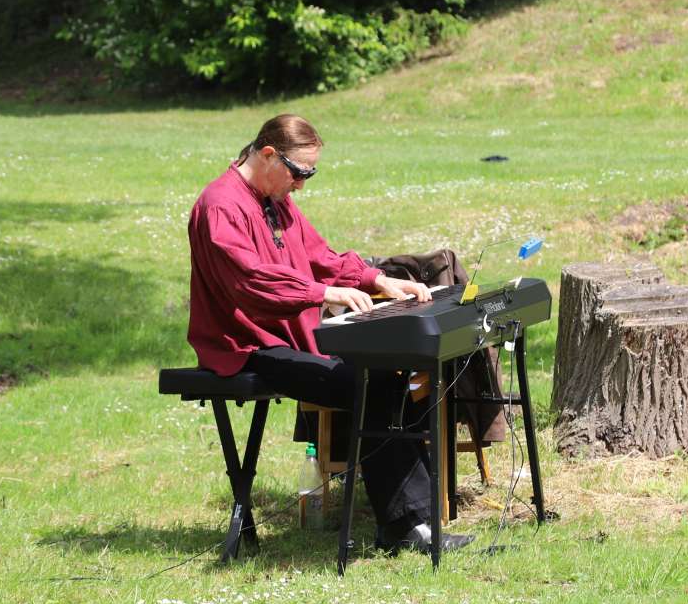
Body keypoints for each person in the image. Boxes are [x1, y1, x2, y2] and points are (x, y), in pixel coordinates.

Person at [187, 113, 473, 554]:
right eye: (299, 172)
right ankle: (407, 527)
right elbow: (250, 285)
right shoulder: (221, 205)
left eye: (309, 174)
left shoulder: (275, 200)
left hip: (286, 337)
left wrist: (375, 280)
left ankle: (410, 520)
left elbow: (319, 254)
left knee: (391, 373)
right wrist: (321, 292)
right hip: (246, 346)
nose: (301, 185)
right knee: (369, 384)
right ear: (267, 155)